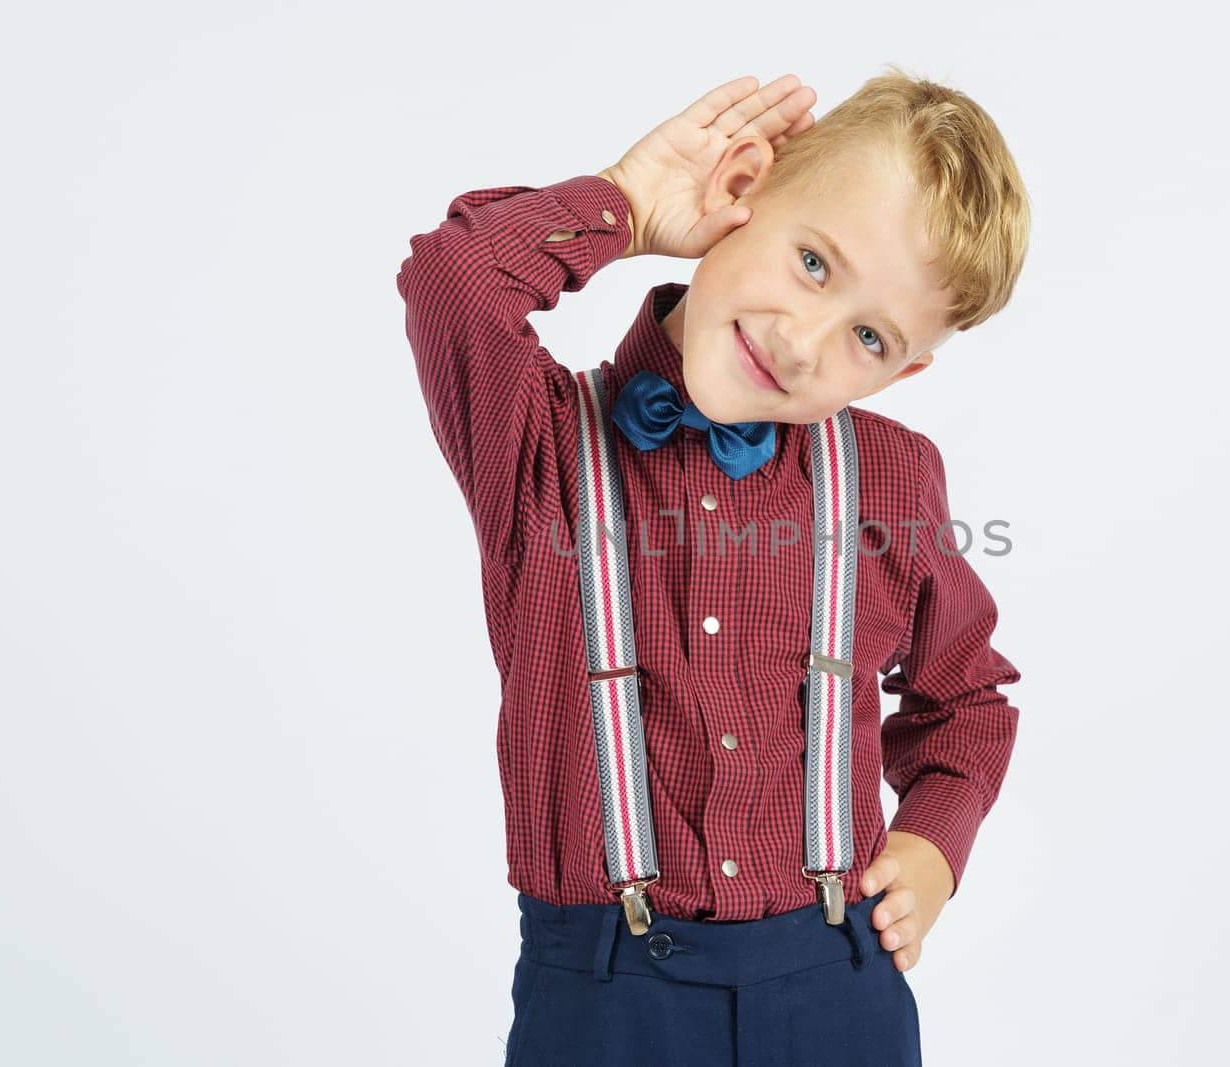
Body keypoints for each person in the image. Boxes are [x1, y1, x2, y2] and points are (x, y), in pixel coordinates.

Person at [396, 66, 1031, 1066]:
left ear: (899, 371)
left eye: (868, 335)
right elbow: (451, 277)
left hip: (839, 983)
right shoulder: (538, 445)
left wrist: (933, 841)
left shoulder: (893, 481)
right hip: (602, 992)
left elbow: (969, 696)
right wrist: (629, 203)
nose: (803, 339)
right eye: (814, 262)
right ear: (743, 191)